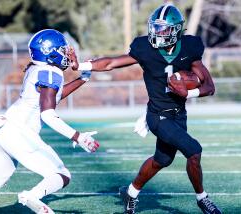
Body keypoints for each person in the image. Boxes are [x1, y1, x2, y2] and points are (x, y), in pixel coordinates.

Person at [73, 4, 221, 214]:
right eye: (155, 28)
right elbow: (110, 63)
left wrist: (188, 93)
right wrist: (81, 66)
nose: (157, 33)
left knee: (162, 160)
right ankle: (202, 198)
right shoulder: (145, 48)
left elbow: (209, 87)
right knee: (194, 150)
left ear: (176, 30)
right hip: (157, 116)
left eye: (163, 29)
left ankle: (131, 193)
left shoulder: (190, 48)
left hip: (179, 115)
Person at [0, 29, 99, 214]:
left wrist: (82, 79)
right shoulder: (50, 73)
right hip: (19, 133)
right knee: (62, 174)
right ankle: (32, 196)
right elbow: (48, 114)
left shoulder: (39, 69)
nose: (66, 54)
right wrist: (77, 137)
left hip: (3, 129)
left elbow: (54, 96)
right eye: (62, 50)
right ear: (50, 53)